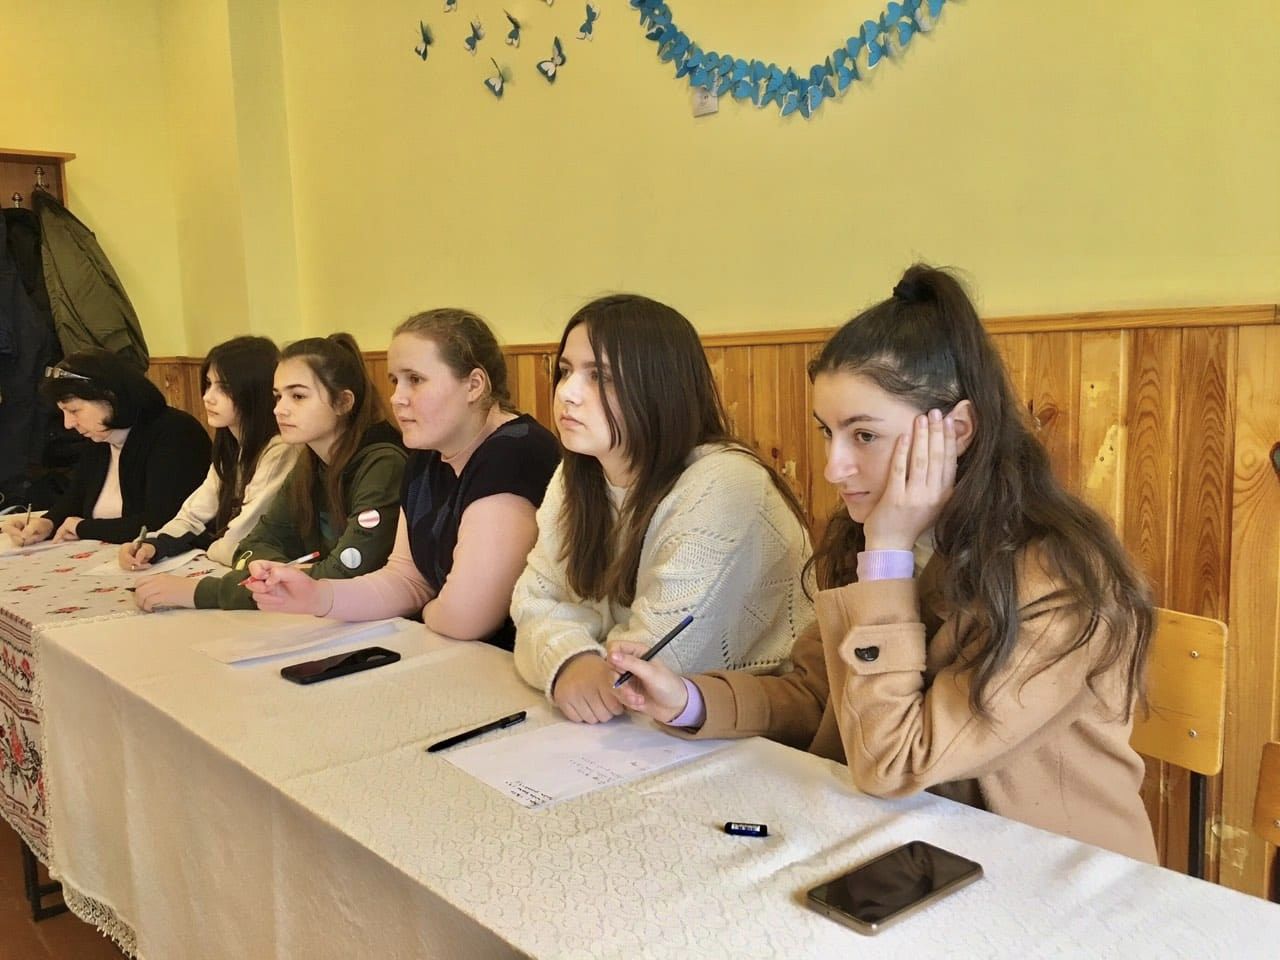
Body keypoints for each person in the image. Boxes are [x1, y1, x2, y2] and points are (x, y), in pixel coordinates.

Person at [607, 265, 1157, 863]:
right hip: (920, 847)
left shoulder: (1059, 581)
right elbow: (821, 697)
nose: (833, 467)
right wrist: (687, 699)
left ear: (958, 431)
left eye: (864, 435)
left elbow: (896, 759)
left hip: (1054, 875)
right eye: (828, 433)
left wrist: (888, 556)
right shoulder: (878, 538)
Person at [511, 294, 813, 724]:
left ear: (658, 388)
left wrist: (569, 655)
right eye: (565, 371)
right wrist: (570, 660)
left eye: (600, 376)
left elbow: (654, 667)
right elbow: (532, 603)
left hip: (761, 727)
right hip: (651, 731)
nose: (567, 393)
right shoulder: (576, 473)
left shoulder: (724, 483)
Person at [243, 309, 559, 649]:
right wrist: (316, 595)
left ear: (474, 385)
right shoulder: (426, 454)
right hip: (453, 650)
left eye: (416, 380)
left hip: (513, 662)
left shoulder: (515, 452)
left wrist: (428, 608)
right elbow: (406, 578)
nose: (397, 397)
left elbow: (465, 618)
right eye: (395, 380)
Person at [133, 333, 406, 611]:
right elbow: (251, 545)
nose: (279, 409)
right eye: (277, 396)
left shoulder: (383, 465)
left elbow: (341, 577)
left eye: (298, 396)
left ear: (343, 403)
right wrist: (275, 573)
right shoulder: (309, 462)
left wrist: (203, 592)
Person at [118, 336, 297, 569]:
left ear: (254, 390)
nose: (207, 397)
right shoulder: (232, 447)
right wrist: (152, 545)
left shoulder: (281, 449)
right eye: (208, 384)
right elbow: (194, 513)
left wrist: (205, 546)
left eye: (224, 388)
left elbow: (240, 538)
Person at [7, 349, 210, 546]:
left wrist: (83, 528)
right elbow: (75, 498)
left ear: (110, 396)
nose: (68, 424)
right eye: (64, 412)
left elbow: (162, 520)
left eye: (74, 410)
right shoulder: (100, 437)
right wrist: (48, 522)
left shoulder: (175, 432)